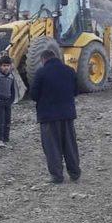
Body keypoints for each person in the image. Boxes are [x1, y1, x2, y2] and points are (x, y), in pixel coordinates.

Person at [30, 49, 81, 184]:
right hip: (67, 115)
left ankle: (57, 176)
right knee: (70, 145)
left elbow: (34, 95)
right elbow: (76, 91)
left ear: (43, 60)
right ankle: (75, 173)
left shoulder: (41, 73)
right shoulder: (70, 71)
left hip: (48, 116)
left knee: (52, 147)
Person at [0, 56, 16, 148]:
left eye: (8, 65)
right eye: (4, 65)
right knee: (1, 121)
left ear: (10, 66)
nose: (6, 67)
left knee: (7, 121)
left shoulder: (11, 77)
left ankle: (6, 139)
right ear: (0, 66)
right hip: (0, 102)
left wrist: (11, 101)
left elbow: (13, 91)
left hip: (7, 102)